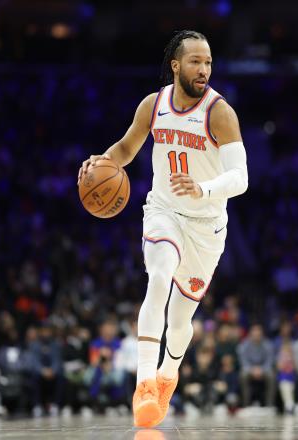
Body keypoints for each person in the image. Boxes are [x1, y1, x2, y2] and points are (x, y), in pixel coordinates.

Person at [78, 30, 248, 427]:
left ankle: (167, 374)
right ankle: (144, 384)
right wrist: (101, 162)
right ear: (176, 65)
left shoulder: (220, 112)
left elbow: (240, 177)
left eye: (208, 62)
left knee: (180, 321)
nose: (204, 69)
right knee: (158, 278)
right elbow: (126, 148)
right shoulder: (153, 105)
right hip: (164, 211)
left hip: (207, 225)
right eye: (195, 61)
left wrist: (203, 189)